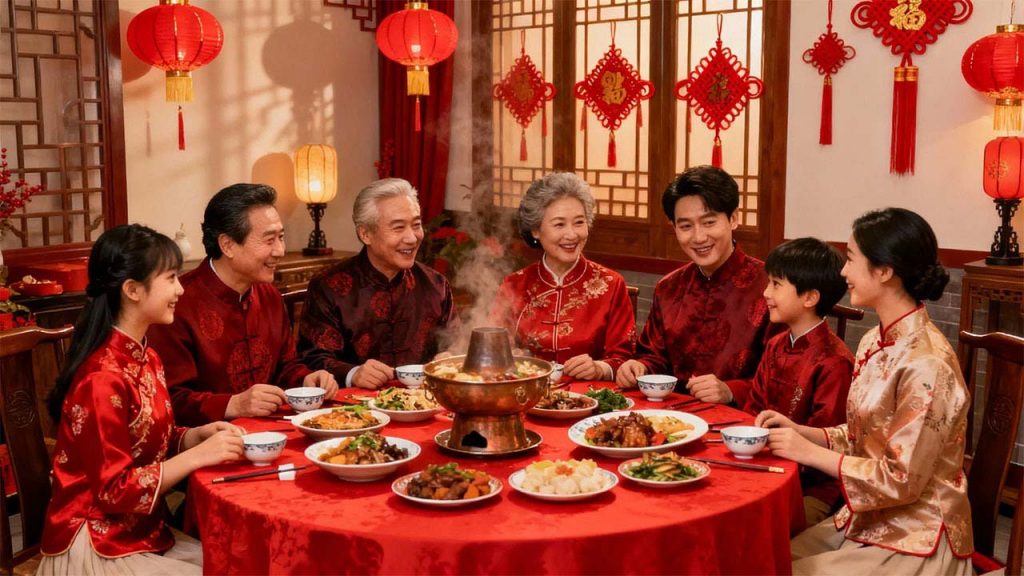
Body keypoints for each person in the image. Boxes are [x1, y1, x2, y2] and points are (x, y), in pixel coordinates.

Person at [757, 208, 973, 575]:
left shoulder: (927, 363)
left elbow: (901, 480)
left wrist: (808, 452)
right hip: (867, 521)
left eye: (851, 259)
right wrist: (801, 432)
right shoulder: (876, 340)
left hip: (917, 538)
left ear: (885, 271)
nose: (843, 272)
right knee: (761, 556)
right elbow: (862, 436)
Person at [38, 225, 245, 575]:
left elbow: (146, 435)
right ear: (132, 290)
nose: (180, 289)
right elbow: (115, 491)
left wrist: (194, 436)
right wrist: (197, 456)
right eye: (170, 278)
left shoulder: (145, 356)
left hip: (142, 534)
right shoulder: (102, 379)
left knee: (241, 558)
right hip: (96, 544)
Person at [148, 184, 338, 426]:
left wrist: (307, 380)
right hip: (209, 443)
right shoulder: (178, 302)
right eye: (269, 240)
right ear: (227, 245)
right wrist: (233, 404)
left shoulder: (268, 295)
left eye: (281, 237)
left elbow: (286, 366)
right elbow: (168, 398)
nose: (280, 250)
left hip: (273, 433)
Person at [616, 165, 780, 406]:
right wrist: (637, 367)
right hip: (671, 419)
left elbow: (783, 375)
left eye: (709, 222)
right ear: (674, 228)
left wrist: (730, 390)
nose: (699, 237)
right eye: (685, 226)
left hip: (740, 427)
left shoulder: (770, 287)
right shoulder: (668, 288)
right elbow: (653, 357)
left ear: (733, 219)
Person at [298, 178, 459, 390]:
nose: (412, 238)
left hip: (425, 404)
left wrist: (449, 358)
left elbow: (455, 343)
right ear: (365, 234)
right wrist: (353, 373)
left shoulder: (435, 284)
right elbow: (313, 358)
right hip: (353, 414)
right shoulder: (329, 286)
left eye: (416, 225)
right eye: (398, 227)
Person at [743, 237, 853, 526]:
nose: (766, 293)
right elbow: (752, 410)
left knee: (755, 527)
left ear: (809, 297)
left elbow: (828, 442)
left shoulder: (834, 361)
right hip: (766, 468)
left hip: (813, 488)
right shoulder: (776, 344)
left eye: (776, 284)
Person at [491, 172, 635, 380]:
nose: (572, 234)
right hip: (526, 397)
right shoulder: (515, 284)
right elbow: (494, 349)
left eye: (579, 222)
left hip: (591, 401)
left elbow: (626, 358)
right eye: (559, 224)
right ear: (535, 231)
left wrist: (599, 368)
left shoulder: (611, 284)